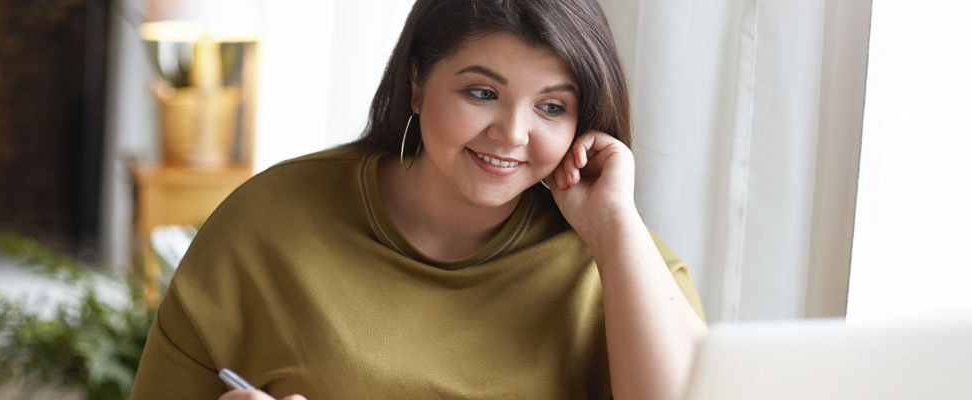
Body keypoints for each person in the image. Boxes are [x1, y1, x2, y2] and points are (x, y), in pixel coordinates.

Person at [128, 0, 707, 399]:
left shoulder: (628, 266)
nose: (512, 132)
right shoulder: (266, 226)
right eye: (482, 92)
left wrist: (613, 234)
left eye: (552, 107)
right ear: (415, 82)